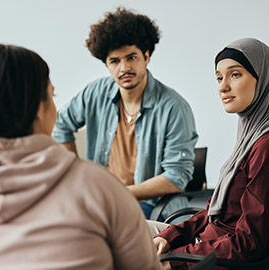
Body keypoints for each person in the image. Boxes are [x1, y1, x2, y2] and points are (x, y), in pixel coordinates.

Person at [0, 44, 161, 270]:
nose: (124, 68)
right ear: (38, 107)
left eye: (131, 58)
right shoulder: (99, 186)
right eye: (52, 96)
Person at [152, 38, 269, 269]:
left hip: (213, 258)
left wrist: (176, 258)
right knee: (119, 237)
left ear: (264, 78)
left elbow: (249, 244)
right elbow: (218, 212)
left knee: (117, 245)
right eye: (219, 77)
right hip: (205, 245)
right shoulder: (255, 135)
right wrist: (170, 235)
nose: (222, 87)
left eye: (235, 74)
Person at [53, 7, 198, 220]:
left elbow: (176, 177)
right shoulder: (95, 93)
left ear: (146, 57)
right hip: (100, 200)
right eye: (115, 61)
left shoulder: (174, 107)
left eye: (131, 57)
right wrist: (77, 176)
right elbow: (61, 125)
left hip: (149, 205)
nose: (124, 68)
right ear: (107, 65)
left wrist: (120, 193)